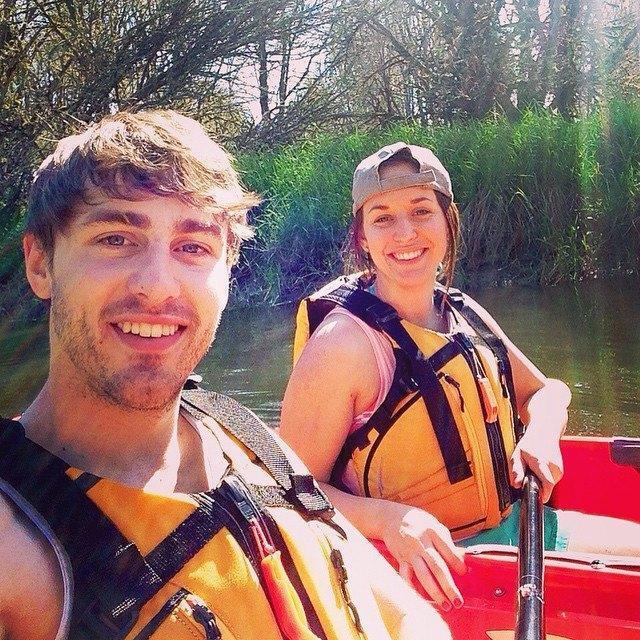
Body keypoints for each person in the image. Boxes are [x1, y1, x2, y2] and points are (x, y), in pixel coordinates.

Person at [0, 118, 451, 640]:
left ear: (227, 270)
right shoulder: (14, 547)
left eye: (193, 247)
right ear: (40, 264)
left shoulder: (243, 434)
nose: (157, 285)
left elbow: (406, 616)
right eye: (117, 238)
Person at [279, 142, 640, 612]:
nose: (405, 233)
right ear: (362, 238)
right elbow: (287, 492)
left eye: (422, 211)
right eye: (382, 217)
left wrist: (545, 433)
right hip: (439, 572)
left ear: (449, 222)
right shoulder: (340, 347)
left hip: (527, 527)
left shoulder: (463, 312)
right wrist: (389, 520)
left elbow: (548, 391)